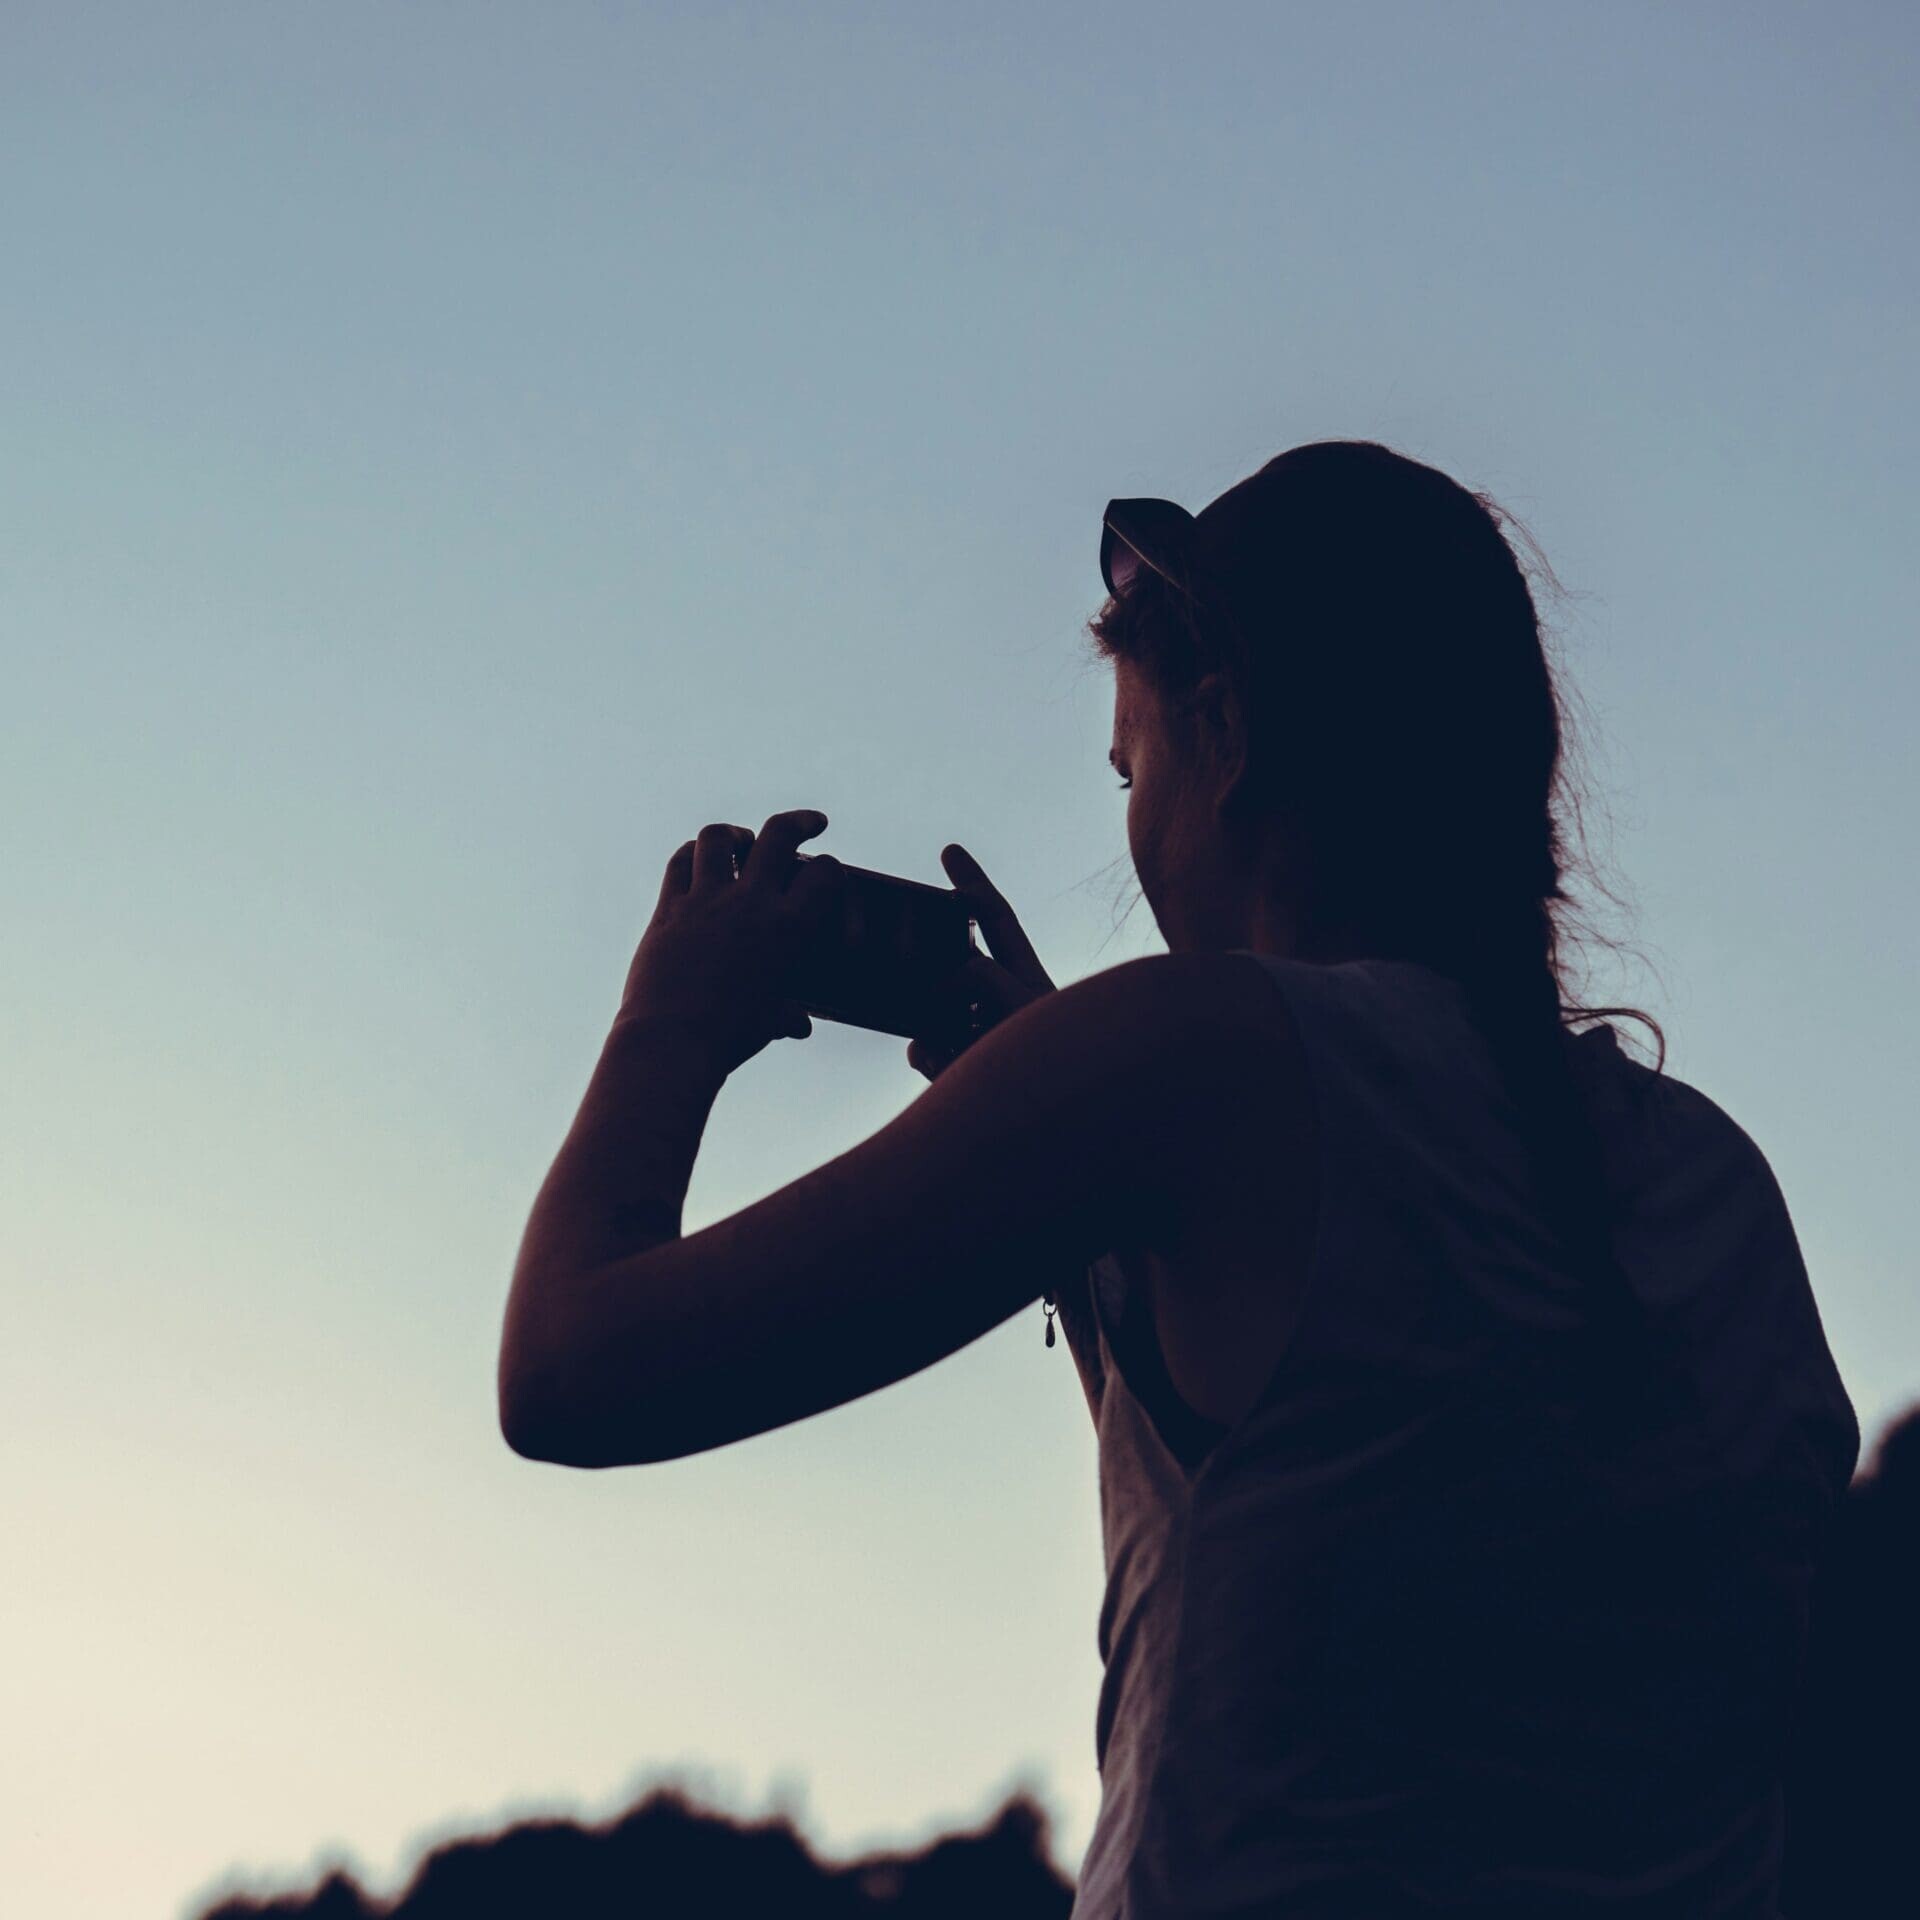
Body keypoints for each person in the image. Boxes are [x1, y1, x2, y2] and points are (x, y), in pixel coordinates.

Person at [498, 440, 1861, 1917]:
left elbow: (575, 1373)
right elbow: (1316, 1497)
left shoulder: (1197, 1054)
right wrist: (1079, 1204)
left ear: (1232, 732)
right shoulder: (1723, 1190)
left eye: (1133, 767)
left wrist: (670, 1021)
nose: (1136, 826)